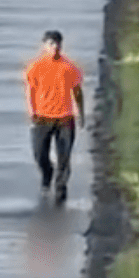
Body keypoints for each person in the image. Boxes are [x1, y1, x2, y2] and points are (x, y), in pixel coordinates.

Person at [24, 30, 85, 204]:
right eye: (51, 44)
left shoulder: (69, 67)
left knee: (64, 156)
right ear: (44, 46)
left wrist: (81, 113)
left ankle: (60, 188)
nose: (55, 47)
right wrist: (31, 111)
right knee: (39, 154)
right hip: (42, 117)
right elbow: (31, 90)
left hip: (65, 119)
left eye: (57, 44)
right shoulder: (35, 67)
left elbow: (77, 91)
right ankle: (47, 173)